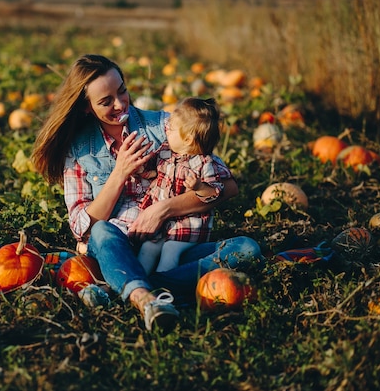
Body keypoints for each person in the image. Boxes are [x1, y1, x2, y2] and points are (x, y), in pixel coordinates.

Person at [31, 54, 263, 332]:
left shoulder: (166, 126)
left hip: (168, 247)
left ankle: (132, 288)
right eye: (106, 102)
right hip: (116, 246)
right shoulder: (79, 151)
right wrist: (119, 173)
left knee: (246, 249)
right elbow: (84, 227)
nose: (119, 104)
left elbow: (227, 187)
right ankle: (146, 299)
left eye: (122, 91)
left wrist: (163, 209)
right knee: (103, 231)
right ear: (86, 108)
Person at [136, 97, 232, 275]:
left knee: (170, 250)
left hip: (187, 227)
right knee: (148, 248)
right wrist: (144, 170)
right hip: (164, 225)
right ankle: (140, 278)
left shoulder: (203, 163)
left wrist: (199, 186)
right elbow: (154, 169)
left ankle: (165, 280)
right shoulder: (166, 151)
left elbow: (215, 192)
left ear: (187, 139)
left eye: (171, 128)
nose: (166, 129)